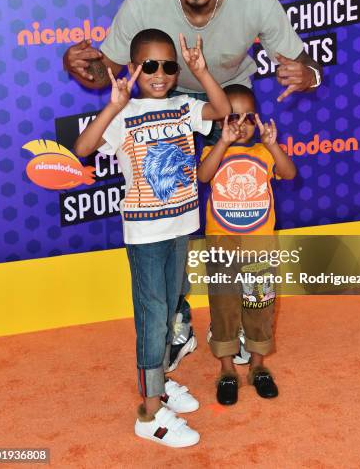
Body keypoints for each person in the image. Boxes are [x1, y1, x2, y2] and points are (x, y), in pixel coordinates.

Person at [64, 0, 322, 370]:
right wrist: (79, 67)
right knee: (173, 216)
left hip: (228, 111)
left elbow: (301, 65)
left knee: (239, 216)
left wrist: (311, 75)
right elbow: (105, 71)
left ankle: (242, 322)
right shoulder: (143, 4)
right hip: (170, 110)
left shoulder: (254, 1)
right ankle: (179, 321)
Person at [74, 28, 230, 446]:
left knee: (175, 307)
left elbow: (222, 108)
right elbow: (83, 148)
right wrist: (112, 107)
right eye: (149, 66)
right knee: (153, 316)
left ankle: (160, 381)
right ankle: (149, 412)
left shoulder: (184, 106)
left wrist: (202, 71)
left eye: (168, 66)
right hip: (145, 235)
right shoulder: (123, 114)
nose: (159, 74)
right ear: (133, 67)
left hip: (181, 227)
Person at [197, 84, 296, 405]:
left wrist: (274, 145)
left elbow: (289, 172)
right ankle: (227, 370)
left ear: (257, 120)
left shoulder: (264, 153)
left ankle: (258, 367)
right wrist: (222, 144)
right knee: (224, 310)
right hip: (222, 249)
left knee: (260, 308)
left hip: (259, 251)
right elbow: (203, 176)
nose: (241, 125)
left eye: (248, 118)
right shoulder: (213, 153)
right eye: (232, 118)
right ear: (219, 122)